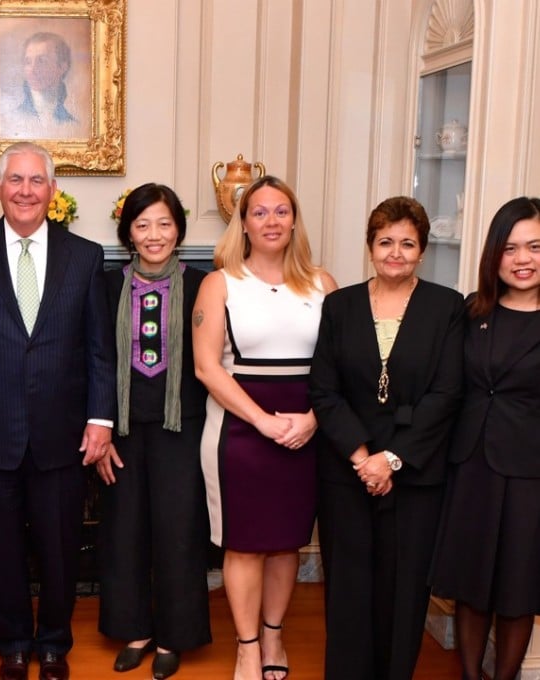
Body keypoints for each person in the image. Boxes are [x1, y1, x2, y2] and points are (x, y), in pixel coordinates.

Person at [0, 141, 116, 680]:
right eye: (15, 180)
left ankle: (55, 644)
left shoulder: (85, 257)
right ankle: (13, 642)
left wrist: (100, 419)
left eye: (37, 181)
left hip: (63, 432)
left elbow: (99, 349)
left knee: (60, 546)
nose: (25, 191)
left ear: (53, 191)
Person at [308, 196, 464, 680]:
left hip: (415, 472)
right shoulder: (340, 305)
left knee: (404, 588)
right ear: (370, 247)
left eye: (407, 243)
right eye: (385, 242)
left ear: (422, 250)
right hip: (347, 469)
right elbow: (323, 388)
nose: (395, 252)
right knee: (349, 587)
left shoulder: (446, 307)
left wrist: (392, 460)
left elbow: (447, 392)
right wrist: (362, 457)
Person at [191, 175, 337, 680]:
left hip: (307, 429)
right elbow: (207, 368)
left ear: (294, 220)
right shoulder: (220, 283)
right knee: (245, 542)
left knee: (286, 542)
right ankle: (248, 646)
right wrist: (262, 422)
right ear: (244, 223)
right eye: (259, 212)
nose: (271, 220)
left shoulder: (323, 284)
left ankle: (274, 636)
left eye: (281, 211)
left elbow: (343, 368)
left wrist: (315, 420)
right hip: (239, 432)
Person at [95, 184, 211, 680]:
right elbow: (96, 362)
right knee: (124, 532)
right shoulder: (105, 285)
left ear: (179, 229)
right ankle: (135, 630)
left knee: (179, 532)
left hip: (181, 426)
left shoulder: (206, 284)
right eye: (142, 225)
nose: (154, 234)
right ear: (128, 233)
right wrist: (98, 429)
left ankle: (173, 636)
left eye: (164, 223)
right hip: (121, 429)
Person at [431, 196, 540, 680]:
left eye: (535, 247)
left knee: (519, 589)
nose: (522, 259)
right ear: (494, 254)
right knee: (470, 584)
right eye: (511, 247)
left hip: (530, 472)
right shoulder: (470, 311)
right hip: (470, 465)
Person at [1, 32, 88, 140]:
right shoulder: (10, 119)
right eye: (28, 62)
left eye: (42, 61)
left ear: (62, 67)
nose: (32, 70)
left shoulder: (73, 126)